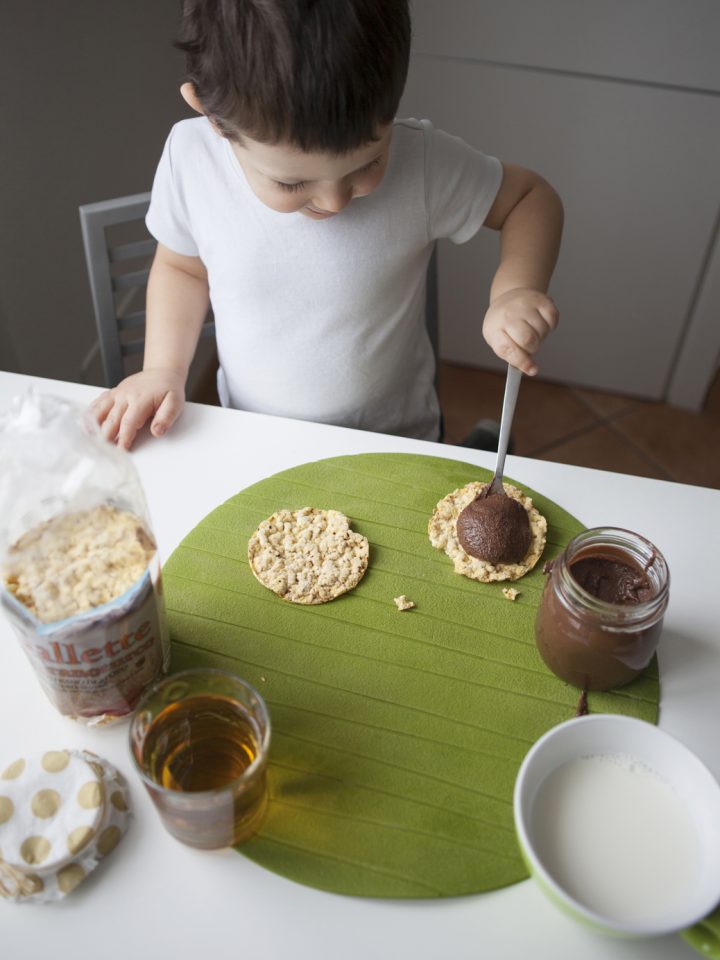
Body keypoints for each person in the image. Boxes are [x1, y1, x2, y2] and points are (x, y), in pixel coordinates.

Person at [92, 0, 563, 450]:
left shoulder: (421, 163)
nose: (335, 200)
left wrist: (514, 290)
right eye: (291, 181)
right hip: (255, 438)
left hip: (397, 441)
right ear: (212, 116)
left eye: (367, 164)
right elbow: (182, 269)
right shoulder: (192, 160)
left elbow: (529, 198)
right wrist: (162, 369)